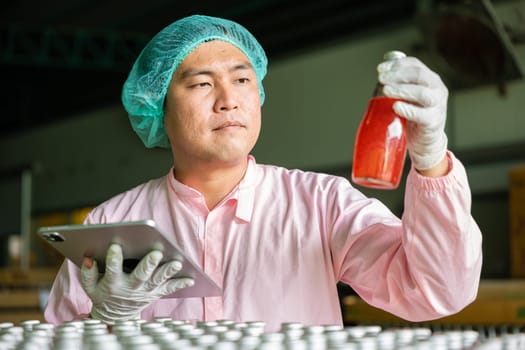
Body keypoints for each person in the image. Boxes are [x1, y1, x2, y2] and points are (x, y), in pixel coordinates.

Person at [44, 14, 482, 332]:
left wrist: (430, 158)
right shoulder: (110, 225)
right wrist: (102, 323)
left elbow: (436, 291)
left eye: (242, 80)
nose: (228, 100)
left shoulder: (323, 205)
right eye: (200, 84)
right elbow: (53, 341)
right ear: (158, 103)